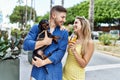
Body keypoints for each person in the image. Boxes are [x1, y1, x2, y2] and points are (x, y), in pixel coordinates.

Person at [23, 5, 68, 80]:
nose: (64, 20)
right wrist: (43, 42)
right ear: (54, 15)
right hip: (37, 73)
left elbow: (60, 52)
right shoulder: (36, 28)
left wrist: (43, 62)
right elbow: (26, 44)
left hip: (54, 73)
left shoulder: (64, 32)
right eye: (62, 17)